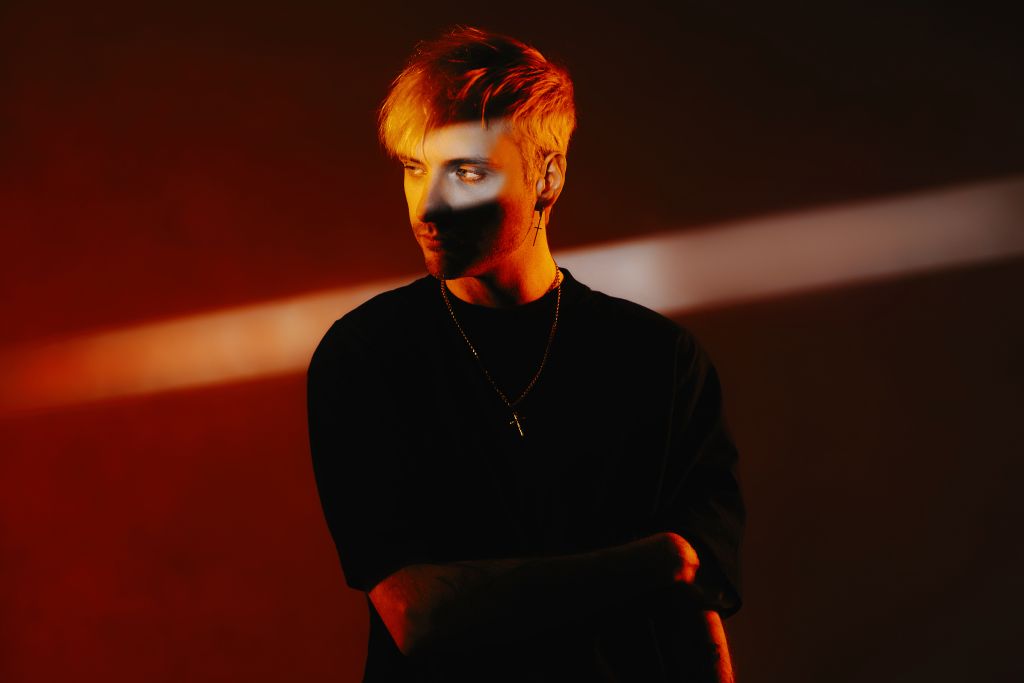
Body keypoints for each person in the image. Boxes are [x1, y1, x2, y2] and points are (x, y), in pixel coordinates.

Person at [307, 26, 744, 682]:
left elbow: (696, 622)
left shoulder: (661, 361)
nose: (428, 205)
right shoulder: (366, 355)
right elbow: (419, 615)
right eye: (414, 167)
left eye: (468, 172)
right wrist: (649, 562)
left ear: (548, 175)